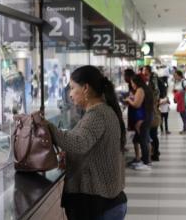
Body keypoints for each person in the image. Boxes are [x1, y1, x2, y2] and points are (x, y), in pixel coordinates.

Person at [47, 65, 127, 220]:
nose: (70, 94)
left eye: (72, 88)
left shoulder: (97, 114)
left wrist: (48, 127)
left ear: (85, 88)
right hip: (106, 202)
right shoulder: (102, 111)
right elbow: (90, 147)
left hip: (99, 205)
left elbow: (78, 144)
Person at [125, 75, 154, 169]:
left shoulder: (140, 90)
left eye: (133, 83)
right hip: (147, 116)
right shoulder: (145, 89)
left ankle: (146, 162)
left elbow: (137, 105)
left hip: (143, 118)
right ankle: (146, 160)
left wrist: (129, 100)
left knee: (143, 141)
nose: (132, 85)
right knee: (141, 139)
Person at [143, 66, 161, 161]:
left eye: (144, 71)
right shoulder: (152, 82)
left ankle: (155, 153)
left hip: (152, 112)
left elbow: (155, 97)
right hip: (154, 111)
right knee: (153, 134)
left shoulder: (152, 83)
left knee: (153, 134)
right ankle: (155, 152)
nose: (143, 73)